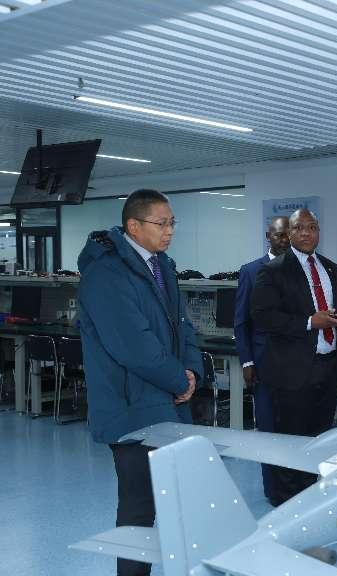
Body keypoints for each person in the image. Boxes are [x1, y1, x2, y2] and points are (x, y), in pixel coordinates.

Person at [78, 189, 202, 576]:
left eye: (172, 223)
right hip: (131, 408)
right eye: (161, 223)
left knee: (177, 503)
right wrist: (178, 379)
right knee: (138, 509)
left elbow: (183, 326)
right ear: (133, 226)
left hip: (166, 401)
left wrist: (192, 371)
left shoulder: (161, 266)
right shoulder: (106, 274)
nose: (169, 231)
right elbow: (133, 345)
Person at [251, 208, 337, 503]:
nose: (307, 233)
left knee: (318, 438)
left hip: (328, 367)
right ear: (289, 233)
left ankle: (310, 495)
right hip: (291, 372)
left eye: (312, 227)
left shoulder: (332, 269)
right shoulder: (273, 271)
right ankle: (287, 501)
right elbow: (263, 316)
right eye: (300, 228)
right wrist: (310, 322)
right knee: (291, 441)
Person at [234, 216, 291, 505]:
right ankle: (273, 490)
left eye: (288, 235)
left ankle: (293, 486)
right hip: (263, 363)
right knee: (268, 428)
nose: (284, 240)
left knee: (294, 428)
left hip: (297, 364)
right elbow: (241, 321)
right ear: (268, 236)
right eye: (279, 235)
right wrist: (247, 362)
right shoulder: (251, 271)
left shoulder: (301, 269)